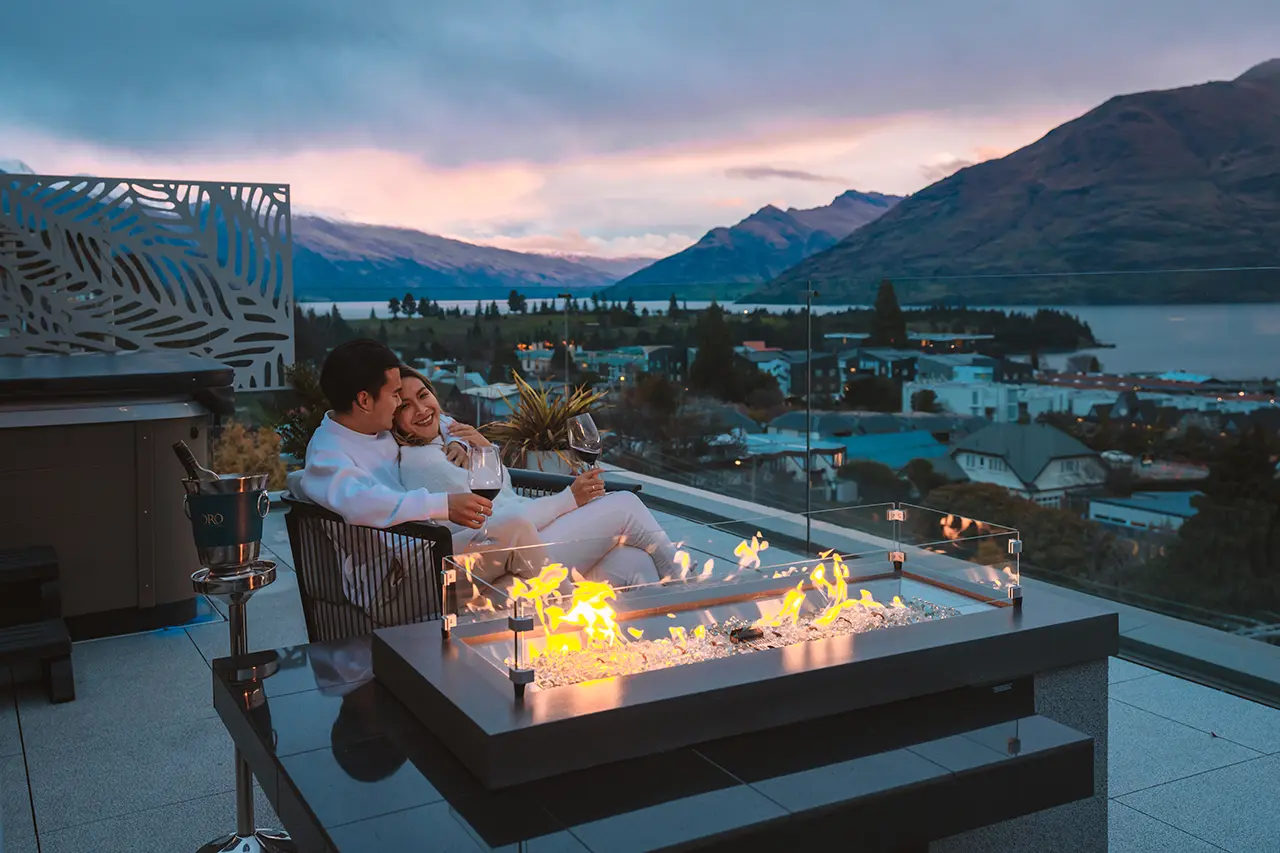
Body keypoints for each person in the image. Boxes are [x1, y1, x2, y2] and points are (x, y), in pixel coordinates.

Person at [392, 365, 678, 589]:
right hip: (511, 558)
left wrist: (481, 447)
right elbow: (500, 524)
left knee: (634, 563)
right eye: (404, 406)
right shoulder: (422, 463)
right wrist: (569, 499)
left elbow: (503, 494)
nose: (420, 409)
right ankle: (694, 585)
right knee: (624, 505)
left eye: (423, 395)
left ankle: (669, 644)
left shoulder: (448, 437)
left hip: (526, 538)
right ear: (393, 418)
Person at [286, 339, 493, 624]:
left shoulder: (376, 426)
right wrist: (442, 505)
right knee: (510, 534)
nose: (399, 403)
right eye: (396, 394)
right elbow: (361, 503)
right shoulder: (328, 454)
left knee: (514, 540)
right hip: (390, 581)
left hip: (428, 549)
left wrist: (457, 441)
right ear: (364, 400)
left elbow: (442, 422)